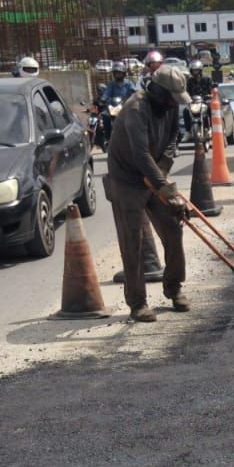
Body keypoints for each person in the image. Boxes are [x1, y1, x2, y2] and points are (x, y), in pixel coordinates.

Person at [103, 64, 192, 322]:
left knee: (174, 227)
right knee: (134, 242)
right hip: (127, 180)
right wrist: (162, 185)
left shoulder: (171, 106)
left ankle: (174, 288)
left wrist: (163, 171)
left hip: (154, 173)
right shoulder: (135, 109)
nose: (173, 104)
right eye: (170, 99)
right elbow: (140, 154)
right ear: (155, 90)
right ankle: (137, 302)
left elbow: (174, 137)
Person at [100, 62, 138, 141]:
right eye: (116, 73)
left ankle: (136, 136)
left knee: (136, 115)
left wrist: (134, 96)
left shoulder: (128, 83)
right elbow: (107, 93)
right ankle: (108, 137)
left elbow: (134, 92)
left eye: (119, 73)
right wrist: (103, 98)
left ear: (124, 73)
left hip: (126, 106)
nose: (118, 75)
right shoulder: (111, 84)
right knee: (105, 115)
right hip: (114, 107)